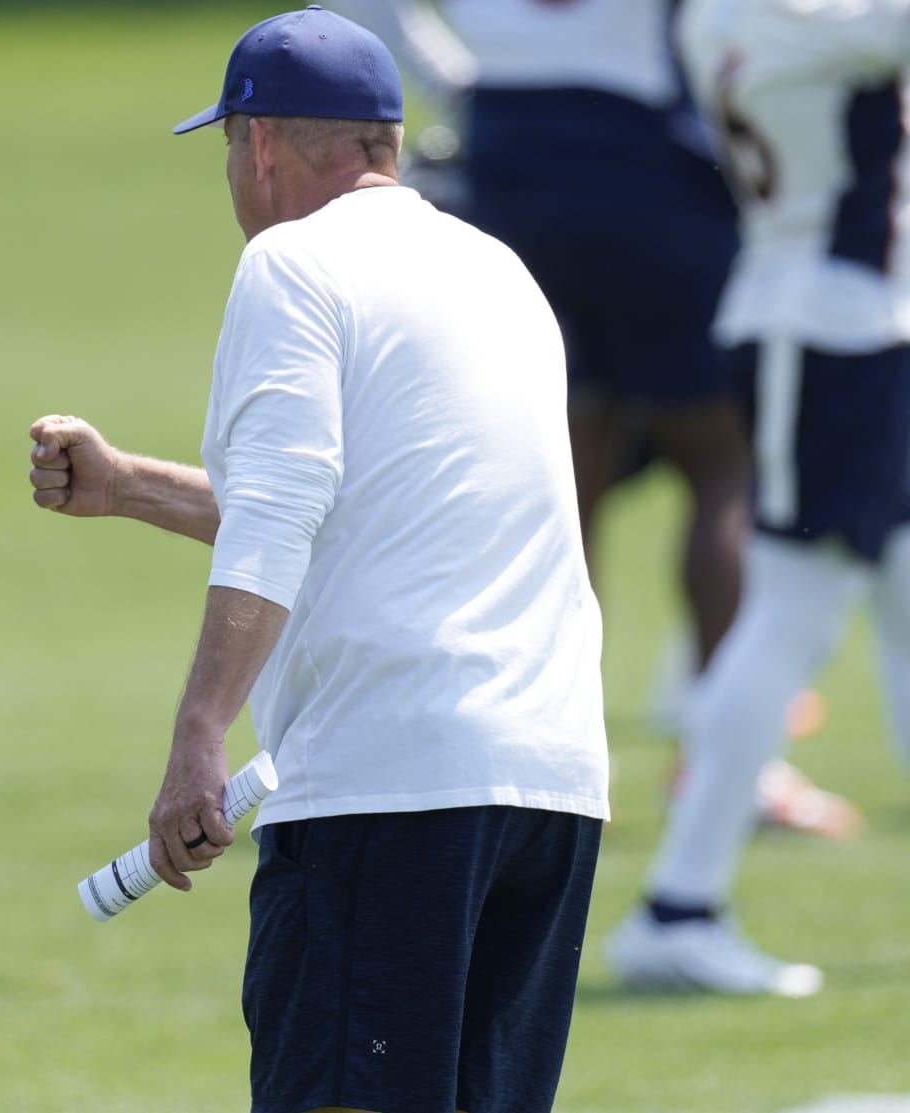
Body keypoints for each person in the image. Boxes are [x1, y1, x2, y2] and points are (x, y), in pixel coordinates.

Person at [28, 8, 609, 1111]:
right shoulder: (496, 271)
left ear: (259, 145)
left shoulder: (293, 264)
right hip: (548, 786)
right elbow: (388, 511)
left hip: (387, 792)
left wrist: (201, 733)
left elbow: (286, 505)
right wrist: (129, 487)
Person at [332, 0, 858, 838]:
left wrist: (464, 84)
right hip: (648, 162)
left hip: (508, 160)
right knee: (722, 462)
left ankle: (538, 746)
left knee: (557, 470)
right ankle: (729, 768)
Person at [607, 0, 910, 997]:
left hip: (838, 323)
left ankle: (681, 905)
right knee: (791, 615)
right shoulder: (807, 21)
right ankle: (677, 905)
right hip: (830, 328)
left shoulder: (720, 18)